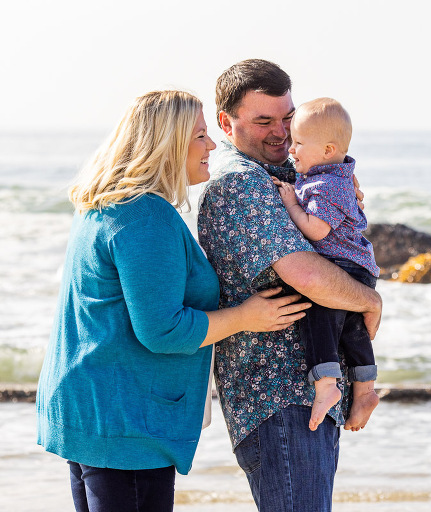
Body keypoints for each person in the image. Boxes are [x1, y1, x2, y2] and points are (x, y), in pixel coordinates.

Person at [36, 90, 310, 512]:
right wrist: (246, 316)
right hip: (124, 423)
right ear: (167, 144)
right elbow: (163, 330)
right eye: (200, 136)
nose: (212, 147)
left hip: (91, 410)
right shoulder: (145, 216)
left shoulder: (106, 203)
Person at [197, 59, 383, 511]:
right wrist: (370, 302)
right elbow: (306, 273)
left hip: (304, 397)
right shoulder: (239, 182)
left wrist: (341, 183)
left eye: (287, 117)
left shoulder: (281, 173)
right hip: (280, 398)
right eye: (263, 121)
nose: (281, 132)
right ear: (226, 122)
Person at [271, 97, 380, 432]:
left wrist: (291, 203)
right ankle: (365, 390)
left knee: (317, 314)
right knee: (352, 331)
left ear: (328, 149)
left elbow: (316, 229)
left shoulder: (325, 184)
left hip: (343, 266)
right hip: (357, 265)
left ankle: (326, 385)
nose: (291, 149)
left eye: (300, 142)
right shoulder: (334, 173)